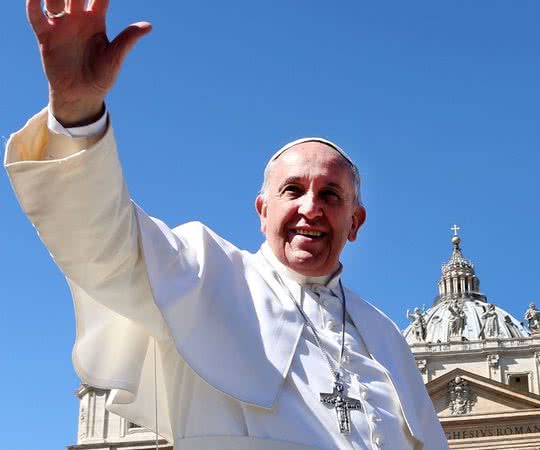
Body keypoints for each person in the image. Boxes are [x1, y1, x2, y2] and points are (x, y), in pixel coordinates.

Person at [6, 1, 449, 449]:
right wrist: (78, 113)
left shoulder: (386, 339)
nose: (310, 208)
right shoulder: (204, 274)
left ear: (355, 222)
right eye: (292, 191)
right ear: (262, 211)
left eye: (331, 195)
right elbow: (103, 239)